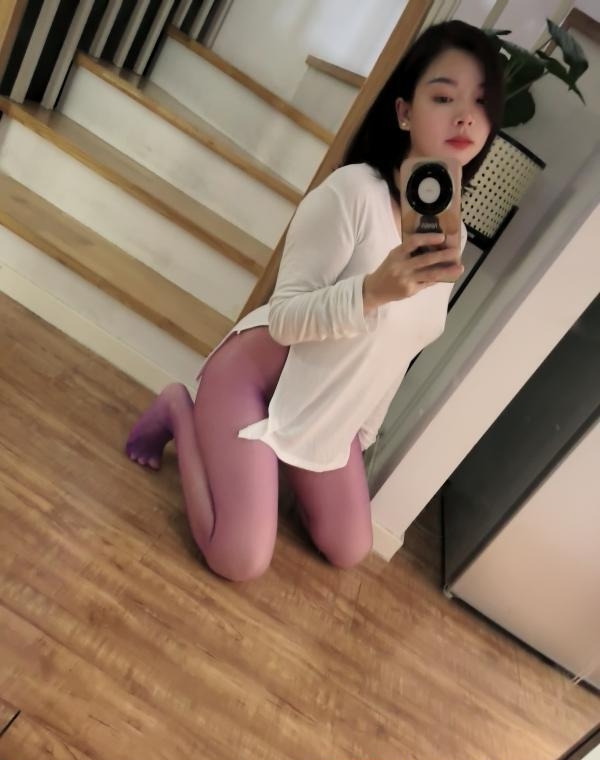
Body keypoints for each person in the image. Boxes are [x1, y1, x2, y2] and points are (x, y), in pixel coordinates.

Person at [125, 20, 505, 582]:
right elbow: (284, 318)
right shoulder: (352, 193)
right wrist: (372, 292)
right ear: (404, 112)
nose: (466, 117)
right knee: (239, 559)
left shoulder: (453, 234)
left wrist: (358, 434)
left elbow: (400, 349)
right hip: (256, 380)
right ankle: (179, 408)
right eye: (444, 97)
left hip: (322, 404)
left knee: (350, 547)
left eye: (481, 103)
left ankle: (265, 465)